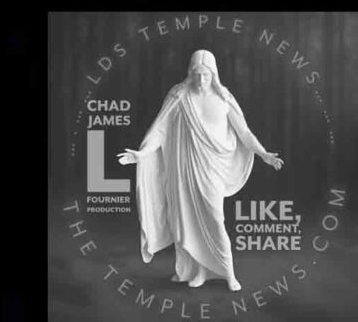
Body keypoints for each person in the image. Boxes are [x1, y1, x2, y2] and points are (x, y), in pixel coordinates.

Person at [118, 49, 284, 294]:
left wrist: (264, 154)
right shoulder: (179, 96)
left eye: (206, 74)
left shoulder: (224, 98)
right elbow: (159, 131)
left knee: (216, 220)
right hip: (186, 170)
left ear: (214, 74)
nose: (201, 80)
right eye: (196, 74)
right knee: (188, 221)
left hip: (213, 169)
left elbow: (244, 133)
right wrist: (141, 154)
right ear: (190, 73)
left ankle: (228, 273)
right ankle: (200, 271)